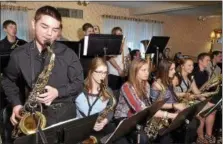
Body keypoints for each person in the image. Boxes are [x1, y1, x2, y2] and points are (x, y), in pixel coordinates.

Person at [1, 5, 84, 130]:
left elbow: (79, 83)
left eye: (55, 29)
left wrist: (58, 92)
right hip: (34, 114)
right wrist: (16, 104)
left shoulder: (68, 54)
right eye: (44, 27)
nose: (49, 34)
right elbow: (7, 80)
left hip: (64, 114)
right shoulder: (19, 54)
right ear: (34, 24)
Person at [114, 59, 178, 144]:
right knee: (143, 138)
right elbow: (140, 108)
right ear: (135, 71)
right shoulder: (126, 87)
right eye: (143, 70)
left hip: (139, 116)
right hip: (124, 118)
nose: (147, 73)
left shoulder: (146, 84)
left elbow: (148, 105)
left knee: (163, 133)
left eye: (147, 70)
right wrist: (170, 115)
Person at [75, 57, 129, 144]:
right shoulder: (78, 89)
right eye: (99, 72)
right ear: (91, 71)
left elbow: (110, 109)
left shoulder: (108, 91)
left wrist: (105, 120)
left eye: (105, 72)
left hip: (99, 131)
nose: (103, 76)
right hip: (80, 130)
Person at [150, 60, 187, 143]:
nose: (174, 71)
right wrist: (174, 106)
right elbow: (155, 106)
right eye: (171, 69)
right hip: (161, 114)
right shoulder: (156, 85)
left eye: (174, 68)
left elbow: (172, 95)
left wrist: (180, 103)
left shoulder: (168, 80)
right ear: (164, 70)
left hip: (171, 108)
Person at [193, 52, 218, 144]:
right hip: (195, 98)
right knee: (202, 113)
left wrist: (210, 85)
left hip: (202, 96)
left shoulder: (206, 73)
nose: (209, 62)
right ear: (200, 61)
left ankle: (208, 135)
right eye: (207, 60)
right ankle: (200, 137)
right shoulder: (194, 72)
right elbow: (194, 90)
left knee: (213, 110)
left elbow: (205, 87)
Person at [107, 27, 129, 98]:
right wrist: (119, 69)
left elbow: (127, 56)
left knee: (123, 95)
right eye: (118, 34)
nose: (121, 35)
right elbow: (110, 58)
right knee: (114, 95)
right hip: (114, 73)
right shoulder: (110, 44)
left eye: (121, 33)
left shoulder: (124, 44)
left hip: (124, 73)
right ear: (114, 35)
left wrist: (127, 68)